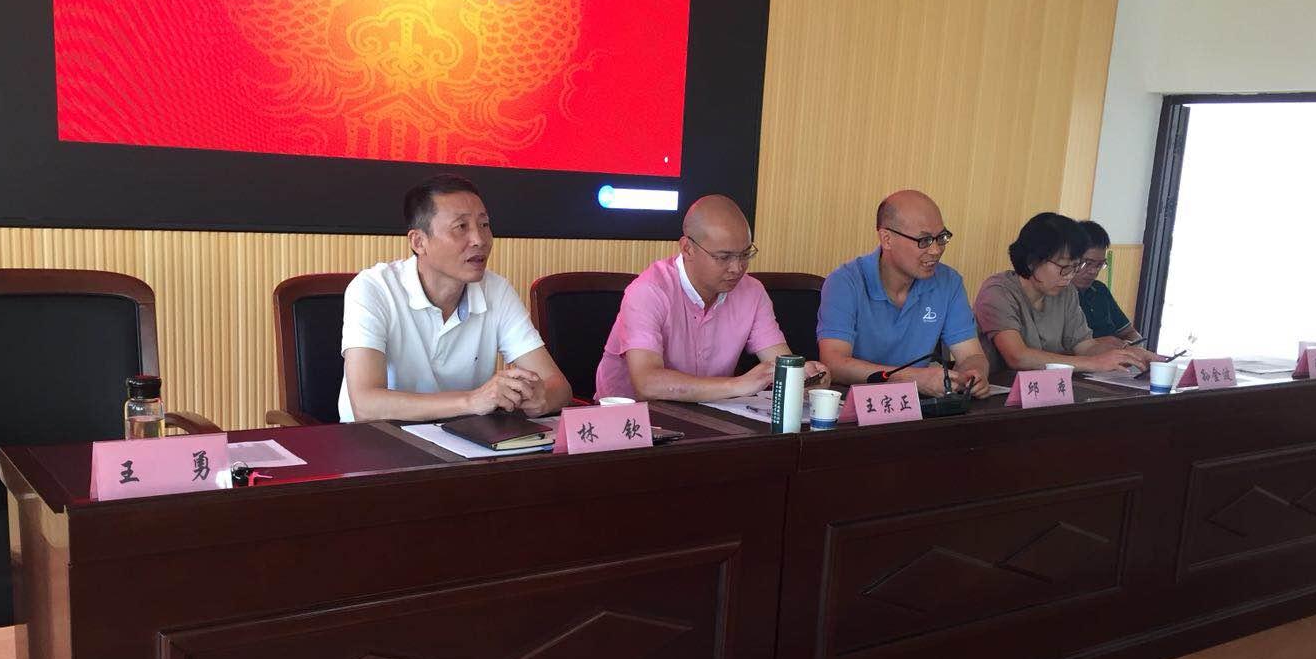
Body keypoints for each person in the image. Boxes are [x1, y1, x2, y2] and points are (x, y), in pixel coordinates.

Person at [339, 175, 571, 422]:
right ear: (419, 242)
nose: (480, 240)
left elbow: (559, 387)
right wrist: (472, 400)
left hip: (462, 437)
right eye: (461, 227)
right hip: (378, 437)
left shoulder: (497, 290)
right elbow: (366, 405)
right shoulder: (375, 288)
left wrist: (540, 398)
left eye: (484, 225)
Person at [594, 195, 829, 401]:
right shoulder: (649, 291)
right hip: (630, 423)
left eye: (745, 254)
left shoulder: (752, 291)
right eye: (723, 257)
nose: (737, 268)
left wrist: (805, 377)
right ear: (687, 249)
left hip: (707, 417)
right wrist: (738, 385)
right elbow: (648, 384)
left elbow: (781, 363)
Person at [817, 189, 990, 397]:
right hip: (857, 405)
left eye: (942, 237)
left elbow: (971, 355)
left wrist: (974, 374)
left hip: (921, 405)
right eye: (924, 240)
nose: (936, 250)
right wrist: (913, 379)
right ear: (887, 239)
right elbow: (834, 364)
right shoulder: (846, 282)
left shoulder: (948, 282)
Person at [974, 212, 1159, 385]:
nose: (1070, 276)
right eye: (1064, 267)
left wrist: (1128, 354)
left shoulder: (1066, 292)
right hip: (998, 392)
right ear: (1032, 261)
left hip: (1048, 390)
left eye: (1075, 267)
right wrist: (1095, 363)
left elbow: (1085, 346)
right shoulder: (998, 291)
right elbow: (1017, 357)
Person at [1073, 220, 1146, 346]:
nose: (1093, 271)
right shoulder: (1060, 295)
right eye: (1087, 263)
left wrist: (1128, 345)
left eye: (1100, 265)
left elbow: (1131, 333)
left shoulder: (1100, 289)